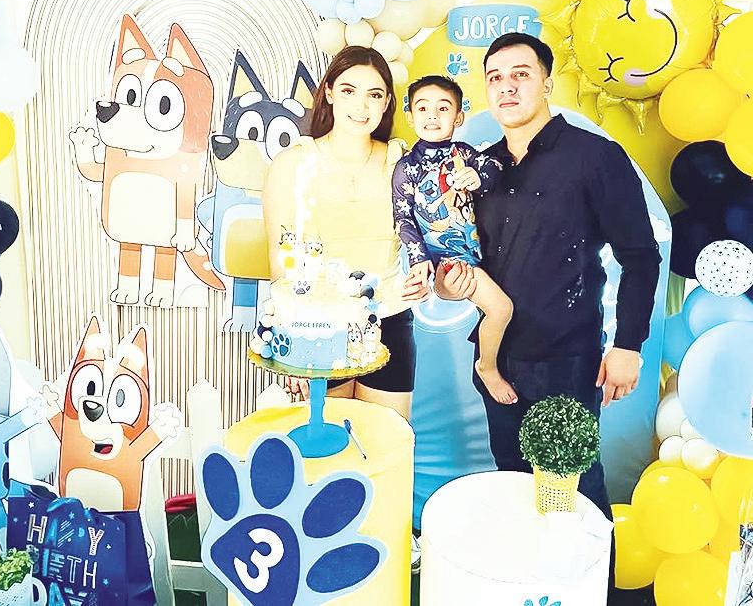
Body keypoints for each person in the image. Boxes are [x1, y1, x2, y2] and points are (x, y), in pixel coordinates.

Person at [434, 32, 661, 519]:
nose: (507, 87)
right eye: (495, 78)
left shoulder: (595, 157)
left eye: (521, 74)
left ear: (547, 83)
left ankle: (595, 571)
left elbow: (641, 256)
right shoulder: (481, 168)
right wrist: (448, 286)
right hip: (495, 358)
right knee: (515, 491)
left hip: (565, 361)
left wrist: (629, 346)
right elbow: (466, 259)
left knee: (575, 497)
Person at [262, 46, 429, 420]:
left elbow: (433, 237)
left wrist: (428, 275)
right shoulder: (293, 164)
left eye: (375, 94)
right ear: (330, 93)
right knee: (325, 447)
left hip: (389, 320)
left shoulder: (402, 163)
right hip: (316, 324)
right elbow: (280, 261)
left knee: (385, 442)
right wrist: (293, 341)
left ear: (387, 103)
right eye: (349, 90)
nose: (361, 105)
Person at [392, 75, 516, 404]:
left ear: (459, 117)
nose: (432, 116)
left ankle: (496, 356)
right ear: (410, 117)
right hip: (451, 261)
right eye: (423, 108)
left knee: (506, 308)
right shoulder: (406, 169)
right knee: (501, 309)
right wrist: (420, 260)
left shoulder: (464, 154)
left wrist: (478, 176)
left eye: (443, 108)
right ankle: (487, 366)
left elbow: (495, 168)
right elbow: (403, 219)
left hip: (485, 254)